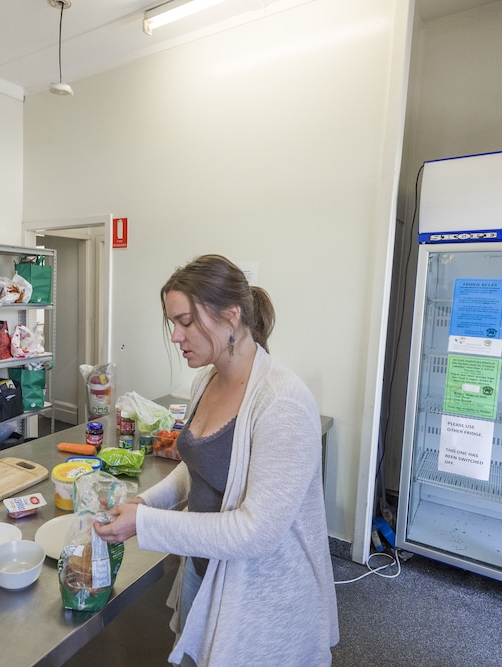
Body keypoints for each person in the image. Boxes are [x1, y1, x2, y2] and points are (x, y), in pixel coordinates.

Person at [94, 254, 339, 666]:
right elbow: (198, 470)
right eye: (173, 323)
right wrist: (146, 503)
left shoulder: (282, 402)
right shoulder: (205, 380)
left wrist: (146, 524)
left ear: (231, 315)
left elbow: (255, 534)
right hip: (204, 572)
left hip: (263, 594)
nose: (175, 336)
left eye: (186, 321)